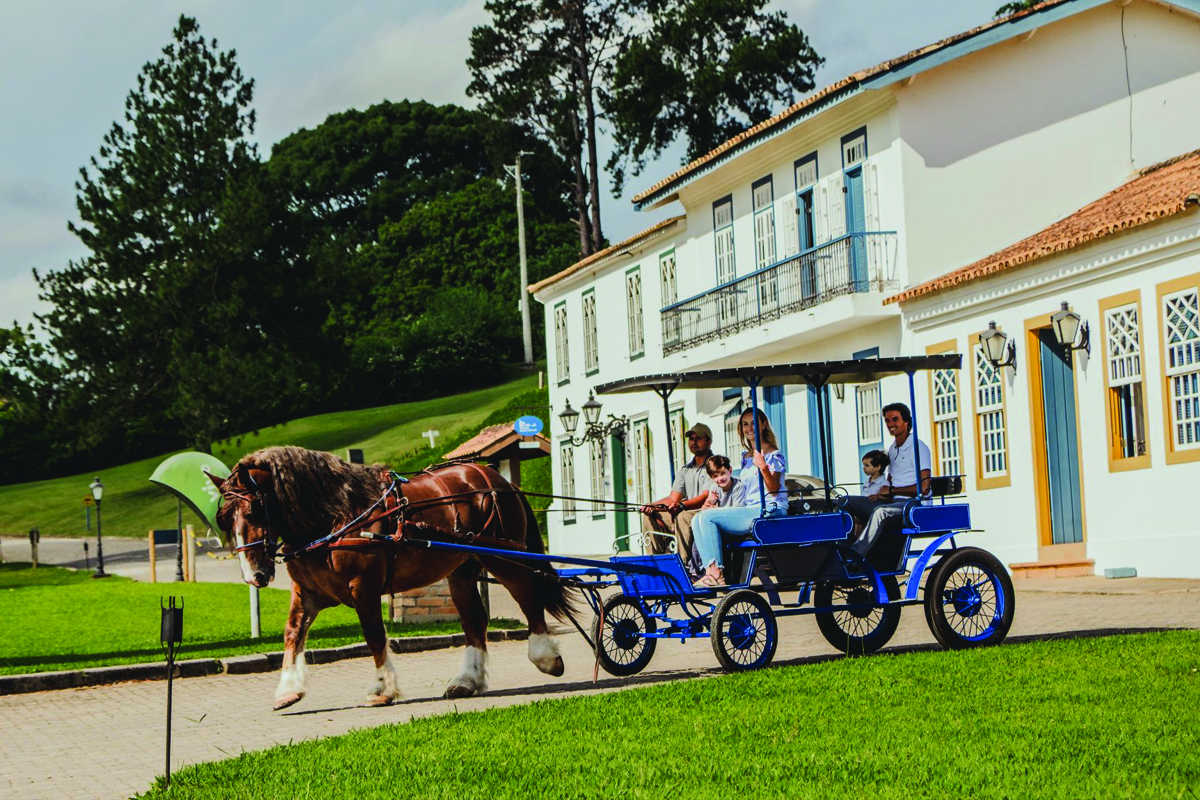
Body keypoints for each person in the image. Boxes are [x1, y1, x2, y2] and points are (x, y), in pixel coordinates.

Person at [691, 409, 787, 588]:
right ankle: (710, 570)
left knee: (707, 518)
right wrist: (715, 499)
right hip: (751, 508)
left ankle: (717, 573)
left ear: (763, 424)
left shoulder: (773, 453)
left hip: (770, 508)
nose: (749, 428)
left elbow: (774, 489)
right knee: (697, 518)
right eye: (745, 424)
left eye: (753, 423)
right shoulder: (746, 456)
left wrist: (763, 467)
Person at [839, 403, 931, 559]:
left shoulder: (918, 447)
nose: (890, 424)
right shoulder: (892, 449)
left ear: (906, 422)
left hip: (913, 504)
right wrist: (881, 493)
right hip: (893, 502)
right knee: (843, 501)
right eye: (887, 421)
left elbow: (924, 487)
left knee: (880, 512)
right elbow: (890, 481)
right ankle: (844, 549)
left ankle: (855, 557)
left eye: (895, 420)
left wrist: (892, 491)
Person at [639, 423, 716, 575]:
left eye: (698, 438)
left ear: (709, 441)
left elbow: (704, 497)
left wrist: (681, 506)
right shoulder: (685, 469)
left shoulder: (714, 465)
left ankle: (682, 566)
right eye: (691, 439)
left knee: (683, 516)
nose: (693, 442)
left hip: (705, 511)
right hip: (685, 509)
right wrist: (651, 506)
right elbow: (672, 498)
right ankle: (656, 565)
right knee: (650, 516)